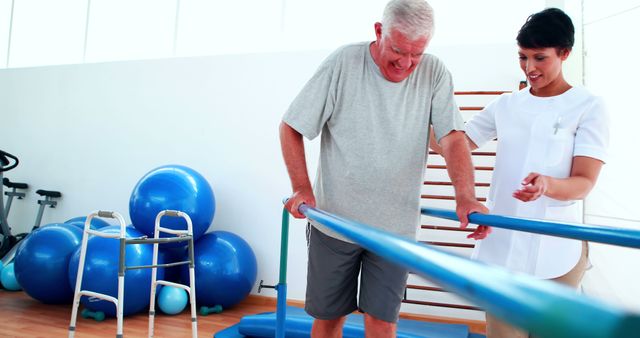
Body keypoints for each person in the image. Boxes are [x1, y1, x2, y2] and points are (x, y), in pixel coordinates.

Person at [279, 0, 488, 337]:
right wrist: (302, 187)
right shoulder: (343, 63)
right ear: (379, 31)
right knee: (329, 318)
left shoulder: (434, 71)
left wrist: (466, 196)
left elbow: (451, 137)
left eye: (416, 54)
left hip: (395, 231)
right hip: (336, 224)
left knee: (383, 322)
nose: (406, 63)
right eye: (398, 50)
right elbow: (291, 126)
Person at [455, 8, 609, 338]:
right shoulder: (506, 104)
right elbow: (456, 144)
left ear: (564, 53)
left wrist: (547, 185)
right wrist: (422, 112)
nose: (530, 68)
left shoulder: (588, 106)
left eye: (540, 58)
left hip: (558, 254)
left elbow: (584, 182)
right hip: (503, 250)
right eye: (523, 57)